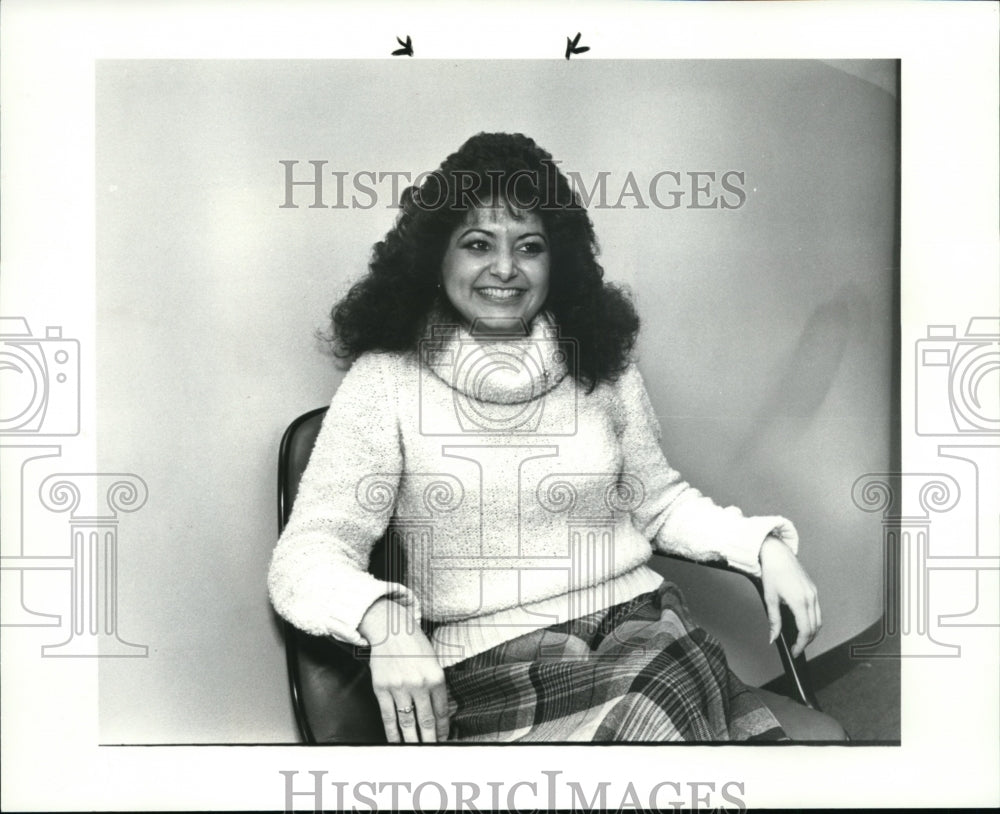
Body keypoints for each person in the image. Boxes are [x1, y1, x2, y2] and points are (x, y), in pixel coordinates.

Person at [268, 132, 845, 743]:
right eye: (476, 244)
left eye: (530, 246)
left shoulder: (600, 362)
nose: (505, 268)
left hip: (646, 634)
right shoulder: (384, 379)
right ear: (436, 260)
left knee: (651, 706)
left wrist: (762, 547)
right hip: (490, 673)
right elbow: (305, 557)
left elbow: (658, 502)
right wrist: (382, 617)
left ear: (555, 263)